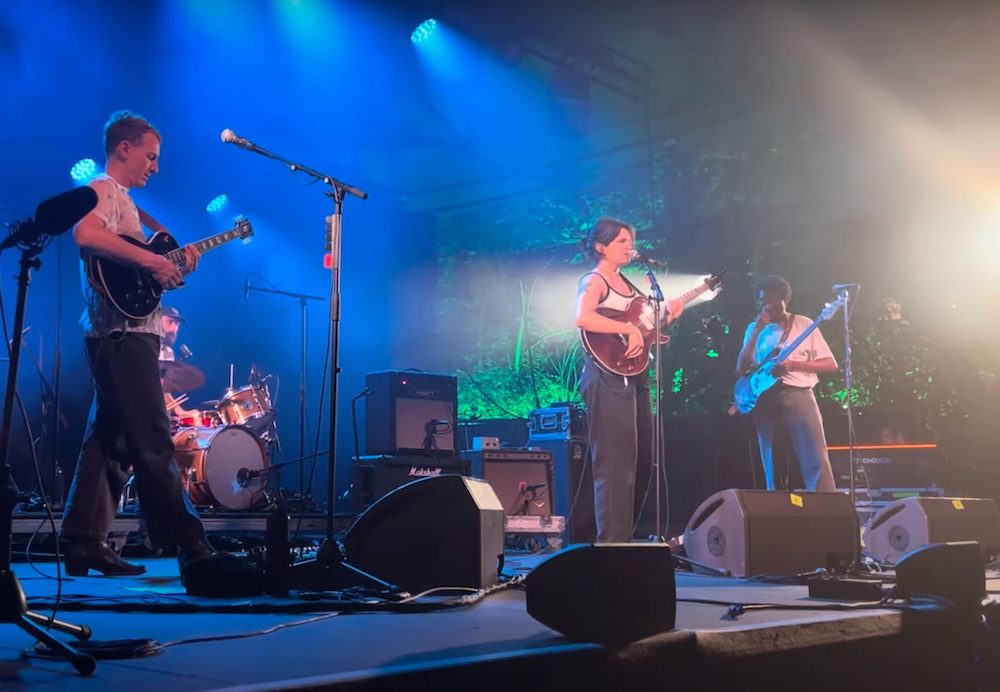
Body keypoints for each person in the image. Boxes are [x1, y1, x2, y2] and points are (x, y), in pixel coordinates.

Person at [59, 111, 258, 594]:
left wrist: (168, 267)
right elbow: (85, 235)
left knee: (108, 441)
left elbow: (130, 272)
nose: (155, 167)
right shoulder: (104, 189)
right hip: (121, 337)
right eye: (150, 156)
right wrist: (152, 259)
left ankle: (84, 539)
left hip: (127, 334)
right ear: (124, 148)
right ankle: (193, 547)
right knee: (152, 443)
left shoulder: (130, 205)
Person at [574, 218, 683, 543]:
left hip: (636, 374)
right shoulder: (594, 280)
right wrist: (628, 329)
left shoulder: (631, 284)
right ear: (600, 247)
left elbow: (645, 329)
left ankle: (625, 539)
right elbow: (583, 317)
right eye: (621, 241)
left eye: (630, 241)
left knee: (640, 459)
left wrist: (668, 317)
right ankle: (612, 545)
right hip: (606, 376)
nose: (628, 246)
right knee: (614, 464)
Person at [735, 275, 838, 492]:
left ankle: (827, 510)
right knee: (773, 462)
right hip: (766, 400)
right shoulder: (754, 328)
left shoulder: (804, 324)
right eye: (763, 301)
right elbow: (742, 369)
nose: (767, 306)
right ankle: (779, 513)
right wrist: (755, 331)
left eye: (771, 300)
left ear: (785, 300)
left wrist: (794, 364)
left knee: (815, 458)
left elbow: (830, 364)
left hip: (800, 395)